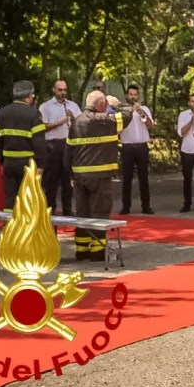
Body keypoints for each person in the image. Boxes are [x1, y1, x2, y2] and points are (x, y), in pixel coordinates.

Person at [66, 91, 132, 260]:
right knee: (100, 212)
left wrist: (71, 176)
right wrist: (116, 103)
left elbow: (68, 152)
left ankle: (81, 250)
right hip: (100, 176)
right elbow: (127, 115)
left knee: (82, 213)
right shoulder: (104, 121)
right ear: (102, 106)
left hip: (80, 177)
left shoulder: (76, 123)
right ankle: (97, 251)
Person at [0, 80, 47, 211]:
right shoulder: (33, 114)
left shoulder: (2, 113)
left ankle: (10, 228)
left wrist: (2, 161)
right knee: (28, 198)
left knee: (10, 197)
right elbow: (39, 143)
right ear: (29, 96)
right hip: (28, 164)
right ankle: (26, 229)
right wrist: (40, 165)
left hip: (8, 163)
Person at [39, 79, 81, 215]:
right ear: (54, 90)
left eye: (64, 90)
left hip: (69, 144)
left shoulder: (73, 105)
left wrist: (73, 119)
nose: (63, 92)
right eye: (60, 90)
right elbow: (42, 127)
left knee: (67, 179)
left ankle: (67, 209)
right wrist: (59, 122)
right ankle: (50, 208)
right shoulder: (45, 106)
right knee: (51, 179)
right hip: (53, 145)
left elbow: (82, 124)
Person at [119, 83, 155, 215]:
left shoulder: (144, 109)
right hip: (127, 147)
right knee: (126, 178)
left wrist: (141, 112)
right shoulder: (122, 110)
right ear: (127, 96)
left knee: (143, 177)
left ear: (138, 96)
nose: (133, 97)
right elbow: (118, 128)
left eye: (135, 95)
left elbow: (150, 126)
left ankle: (146, 206)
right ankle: (125, 206)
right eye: (131, 94)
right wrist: (130, 112)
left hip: (142, 147)